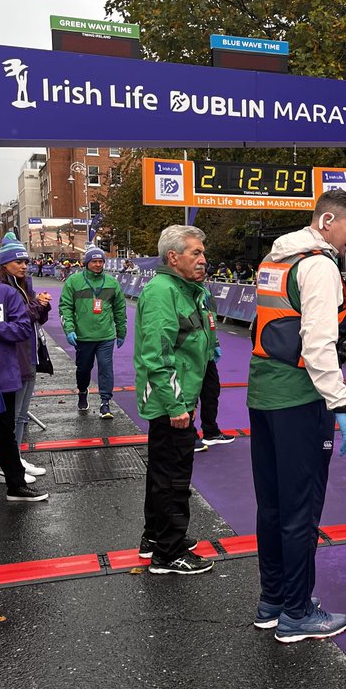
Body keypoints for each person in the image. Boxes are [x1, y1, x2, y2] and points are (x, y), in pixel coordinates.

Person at [248, 189, 346, 643]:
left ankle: (273, 600)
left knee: (272, 505)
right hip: (300, 401)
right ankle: (297, 612)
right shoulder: (318, 265)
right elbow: (318, 344)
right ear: (327, 220)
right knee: (301, 508)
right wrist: (340, 403)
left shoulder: (276, 260)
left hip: (263, 396)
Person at [134, 225, 215, 576]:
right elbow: (157, 354)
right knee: (173, 476)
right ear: (173, 257)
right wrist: (177, 404)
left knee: (162, 470)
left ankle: (155, 537)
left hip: (179, 395)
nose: (203, 259)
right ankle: (169, 552)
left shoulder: (184, 289)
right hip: (172, 400)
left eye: (202, 253)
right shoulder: (162, 292)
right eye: (195, 253)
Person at [0, 240, 48, 506]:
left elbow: (22, 330)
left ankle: (15, 484)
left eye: (26, 261)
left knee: (5, 432)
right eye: (19, 261)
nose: (24, 266)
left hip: (2, 374)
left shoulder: (4, 293)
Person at [59, 246, 127, 419]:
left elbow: (120, 309)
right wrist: (69, 329)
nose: (98, 265)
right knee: (83, 369)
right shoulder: (74, 281)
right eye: (94, 261)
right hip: (83, 336)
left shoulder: (112, 282)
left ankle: (105, 403)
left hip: (106, 336)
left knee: (106, 368)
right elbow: (65, 306)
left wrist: (121, 331)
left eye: (101, 261)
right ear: (86, 263)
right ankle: (82, 391)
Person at [196, 285, 234, 451]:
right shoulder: (180, 291)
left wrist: (214, 342)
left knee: (211, 390)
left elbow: (211, 320)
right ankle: (187, 436)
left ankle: (210, 431)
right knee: (188, 395)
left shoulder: (205, 292)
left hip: (207, 350)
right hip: (190, 351)